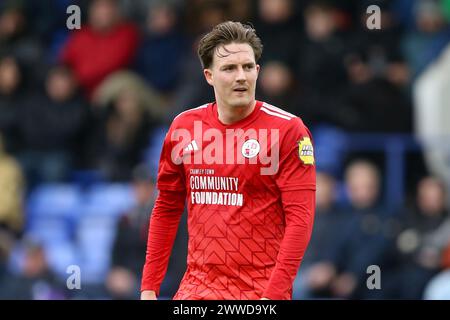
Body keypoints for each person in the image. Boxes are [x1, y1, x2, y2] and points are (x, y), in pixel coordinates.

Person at [140, 21, 316, 300]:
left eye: (248, 67)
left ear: (258, 71)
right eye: (229, 68)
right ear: (209, 75)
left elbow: (301, 219)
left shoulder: (287, 130)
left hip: (258, 291)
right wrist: (149, 288)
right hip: (196, 289)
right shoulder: (183, 128)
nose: (241, 76)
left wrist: (273, 295)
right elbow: (166, 208)